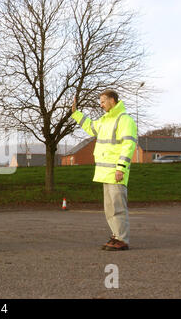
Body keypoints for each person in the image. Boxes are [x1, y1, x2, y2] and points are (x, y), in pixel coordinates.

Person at [71, 90, 137, 251]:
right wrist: (76, 113)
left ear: (112, 100)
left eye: (103, 101)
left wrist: (121, 168)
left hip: (116, 172)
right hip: (106, 172)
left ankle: (122, 239)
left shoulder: (124, 120)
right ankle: (116, 236)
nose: (100, 105)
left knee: (118, 206)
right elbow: (90, 127)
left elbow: (128, 146)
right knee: (110, 208)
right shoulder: (105, 120)